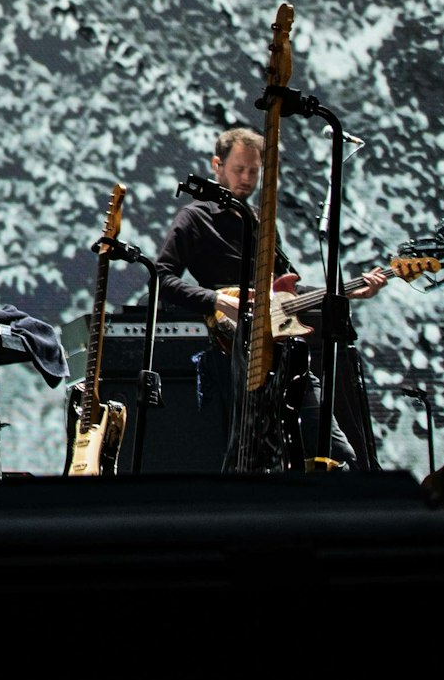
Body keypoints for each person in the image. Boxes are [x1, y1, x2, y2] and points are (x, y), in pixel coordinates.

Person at [155, 126, 387, 468]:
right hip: (235, 354)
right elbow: (162, 278)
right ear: (217, 165)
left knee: (339, 456)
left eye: (253, 171)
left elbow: (285, 292)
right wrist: (218, 300)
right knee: (250, 458)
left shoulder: (258, 220)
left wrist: (349, 293)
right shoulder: (195, 217)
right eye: (239, 169)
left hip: (285, 352)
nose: (247, 178)